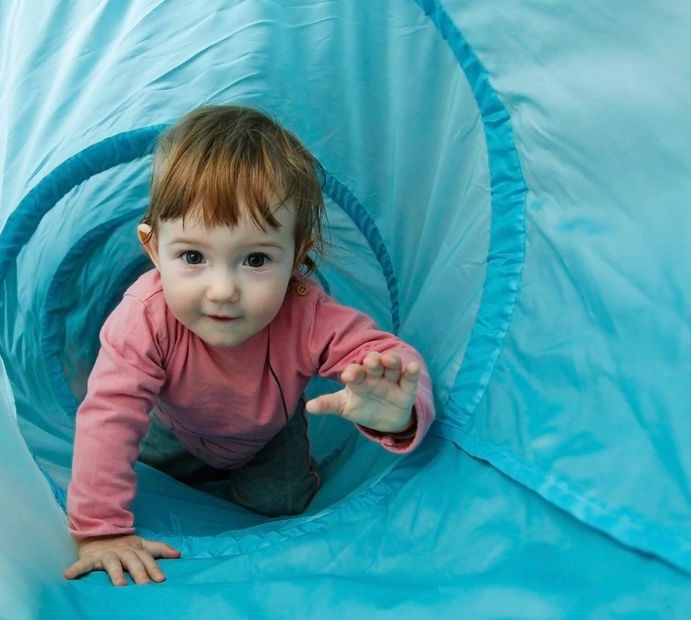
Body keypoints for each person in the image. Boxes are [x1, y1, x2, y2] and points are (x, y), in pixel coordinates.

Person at [62, 105, 435, 586]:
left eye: (256, 259)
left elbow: (387, 356)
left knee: (282, 511)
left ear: (297, 258)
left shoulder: (305, 314)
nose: (222, 290)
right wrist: (100, 532)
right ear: (153, 249)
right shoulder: (145, 316)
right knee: (153, 481)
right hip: (171, 428)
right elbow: (109, 414)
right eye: (193, 256)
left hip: (269, 438)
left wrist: (399, 413)